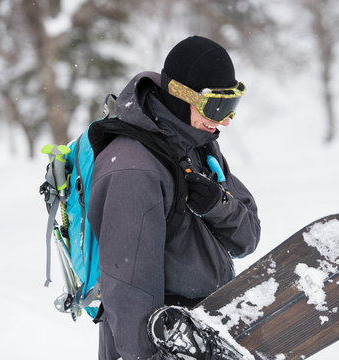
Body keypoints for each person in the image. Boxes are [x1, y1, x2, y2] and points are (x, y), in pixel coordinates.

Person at [88, 35, 261, 360]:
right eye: (217, 106)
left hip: (205, 332)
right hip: (164, 345)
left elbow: (248, 236)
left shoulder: (198, 141)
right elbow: (128, 292)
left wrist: (217, 205)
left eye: (231, 107)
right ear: (182, 96)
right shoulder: (133, 171)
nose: (223, 121)